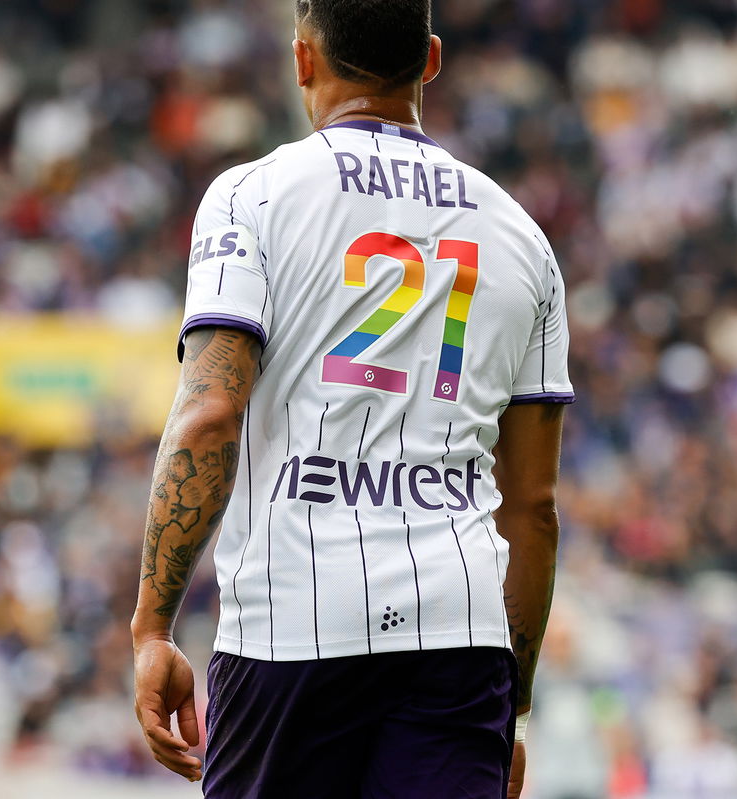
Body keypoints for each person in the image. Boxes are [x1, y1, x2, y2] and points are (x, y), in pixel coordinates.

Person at [131, 1, 573, 796]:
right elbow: (533, 506)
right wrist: (513, 711)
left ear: (303, 58)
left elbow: (209, 414)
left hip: (291, 628)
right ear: (430, 61)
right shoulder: (523, 238)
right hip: (460, 635)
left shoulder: (251, 198)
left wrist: (153, 625)